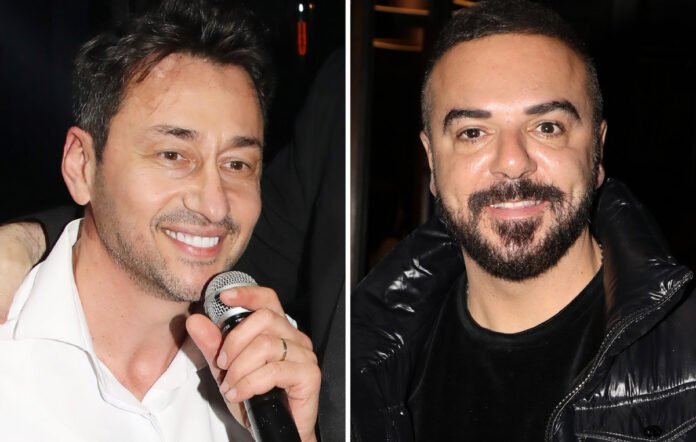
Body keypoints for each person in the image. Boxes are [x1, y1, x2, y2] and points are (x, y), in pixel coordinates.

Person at [352, 1, 696, 441]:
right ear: (432, 162)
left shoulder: (687, 361)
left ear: (597, 152)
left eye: (547, 127)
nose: (512, 162)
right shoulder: (356, 365)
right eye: (473, 132)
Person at [0, 1, 321, 441]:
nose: (214, 205)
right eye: (173, 155)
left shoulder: (272, 372)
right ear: (81, 166)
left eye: (237, 164)